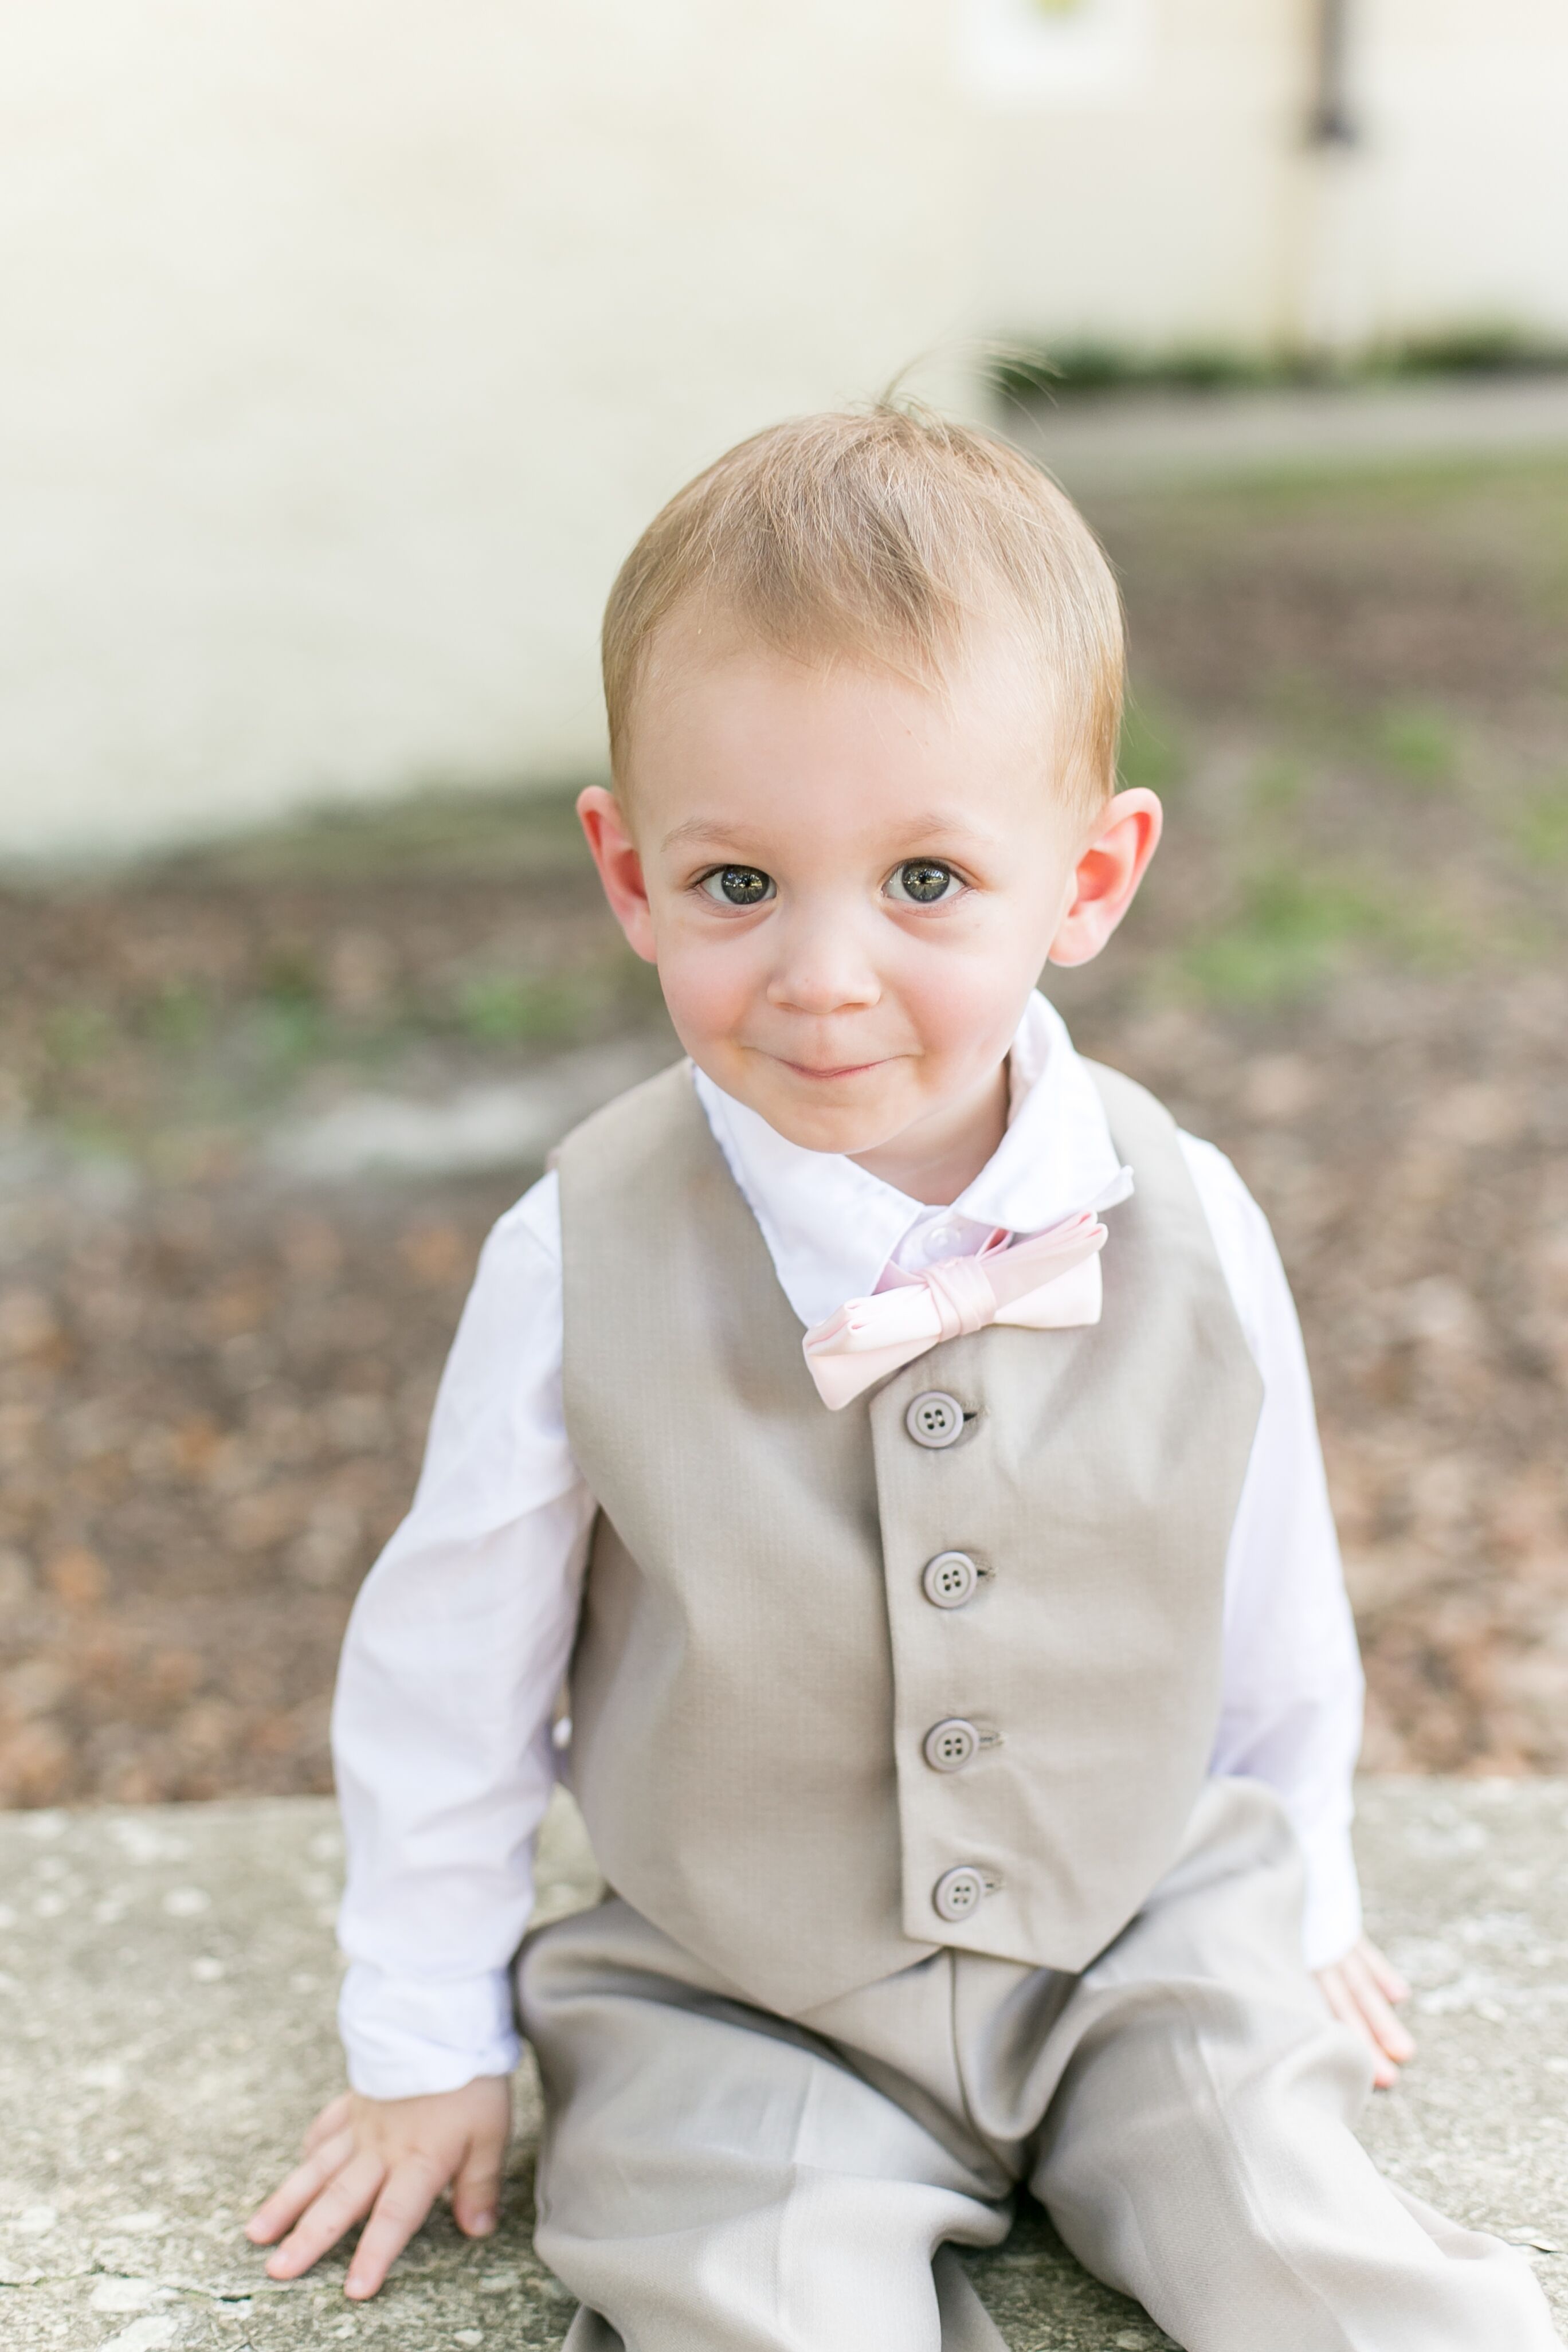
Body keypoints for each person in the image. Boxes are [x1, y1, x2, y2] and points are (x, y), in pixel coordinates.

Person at [246, 406, 1562, 2350]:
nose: (827, 972)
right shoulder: (580, 1250)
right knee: (753, 2301)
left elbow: (1270, 1601)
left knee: (1315, 2257)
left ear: (1092, 879)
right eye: (738, 885)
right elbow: (454, 1678)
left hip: (1139, 1928)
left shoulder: (1183, 1216)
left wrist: (1305, 1897)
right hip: (742, 1983)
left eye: (928, 880)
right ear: (629, 874)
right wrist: (423, 2036)